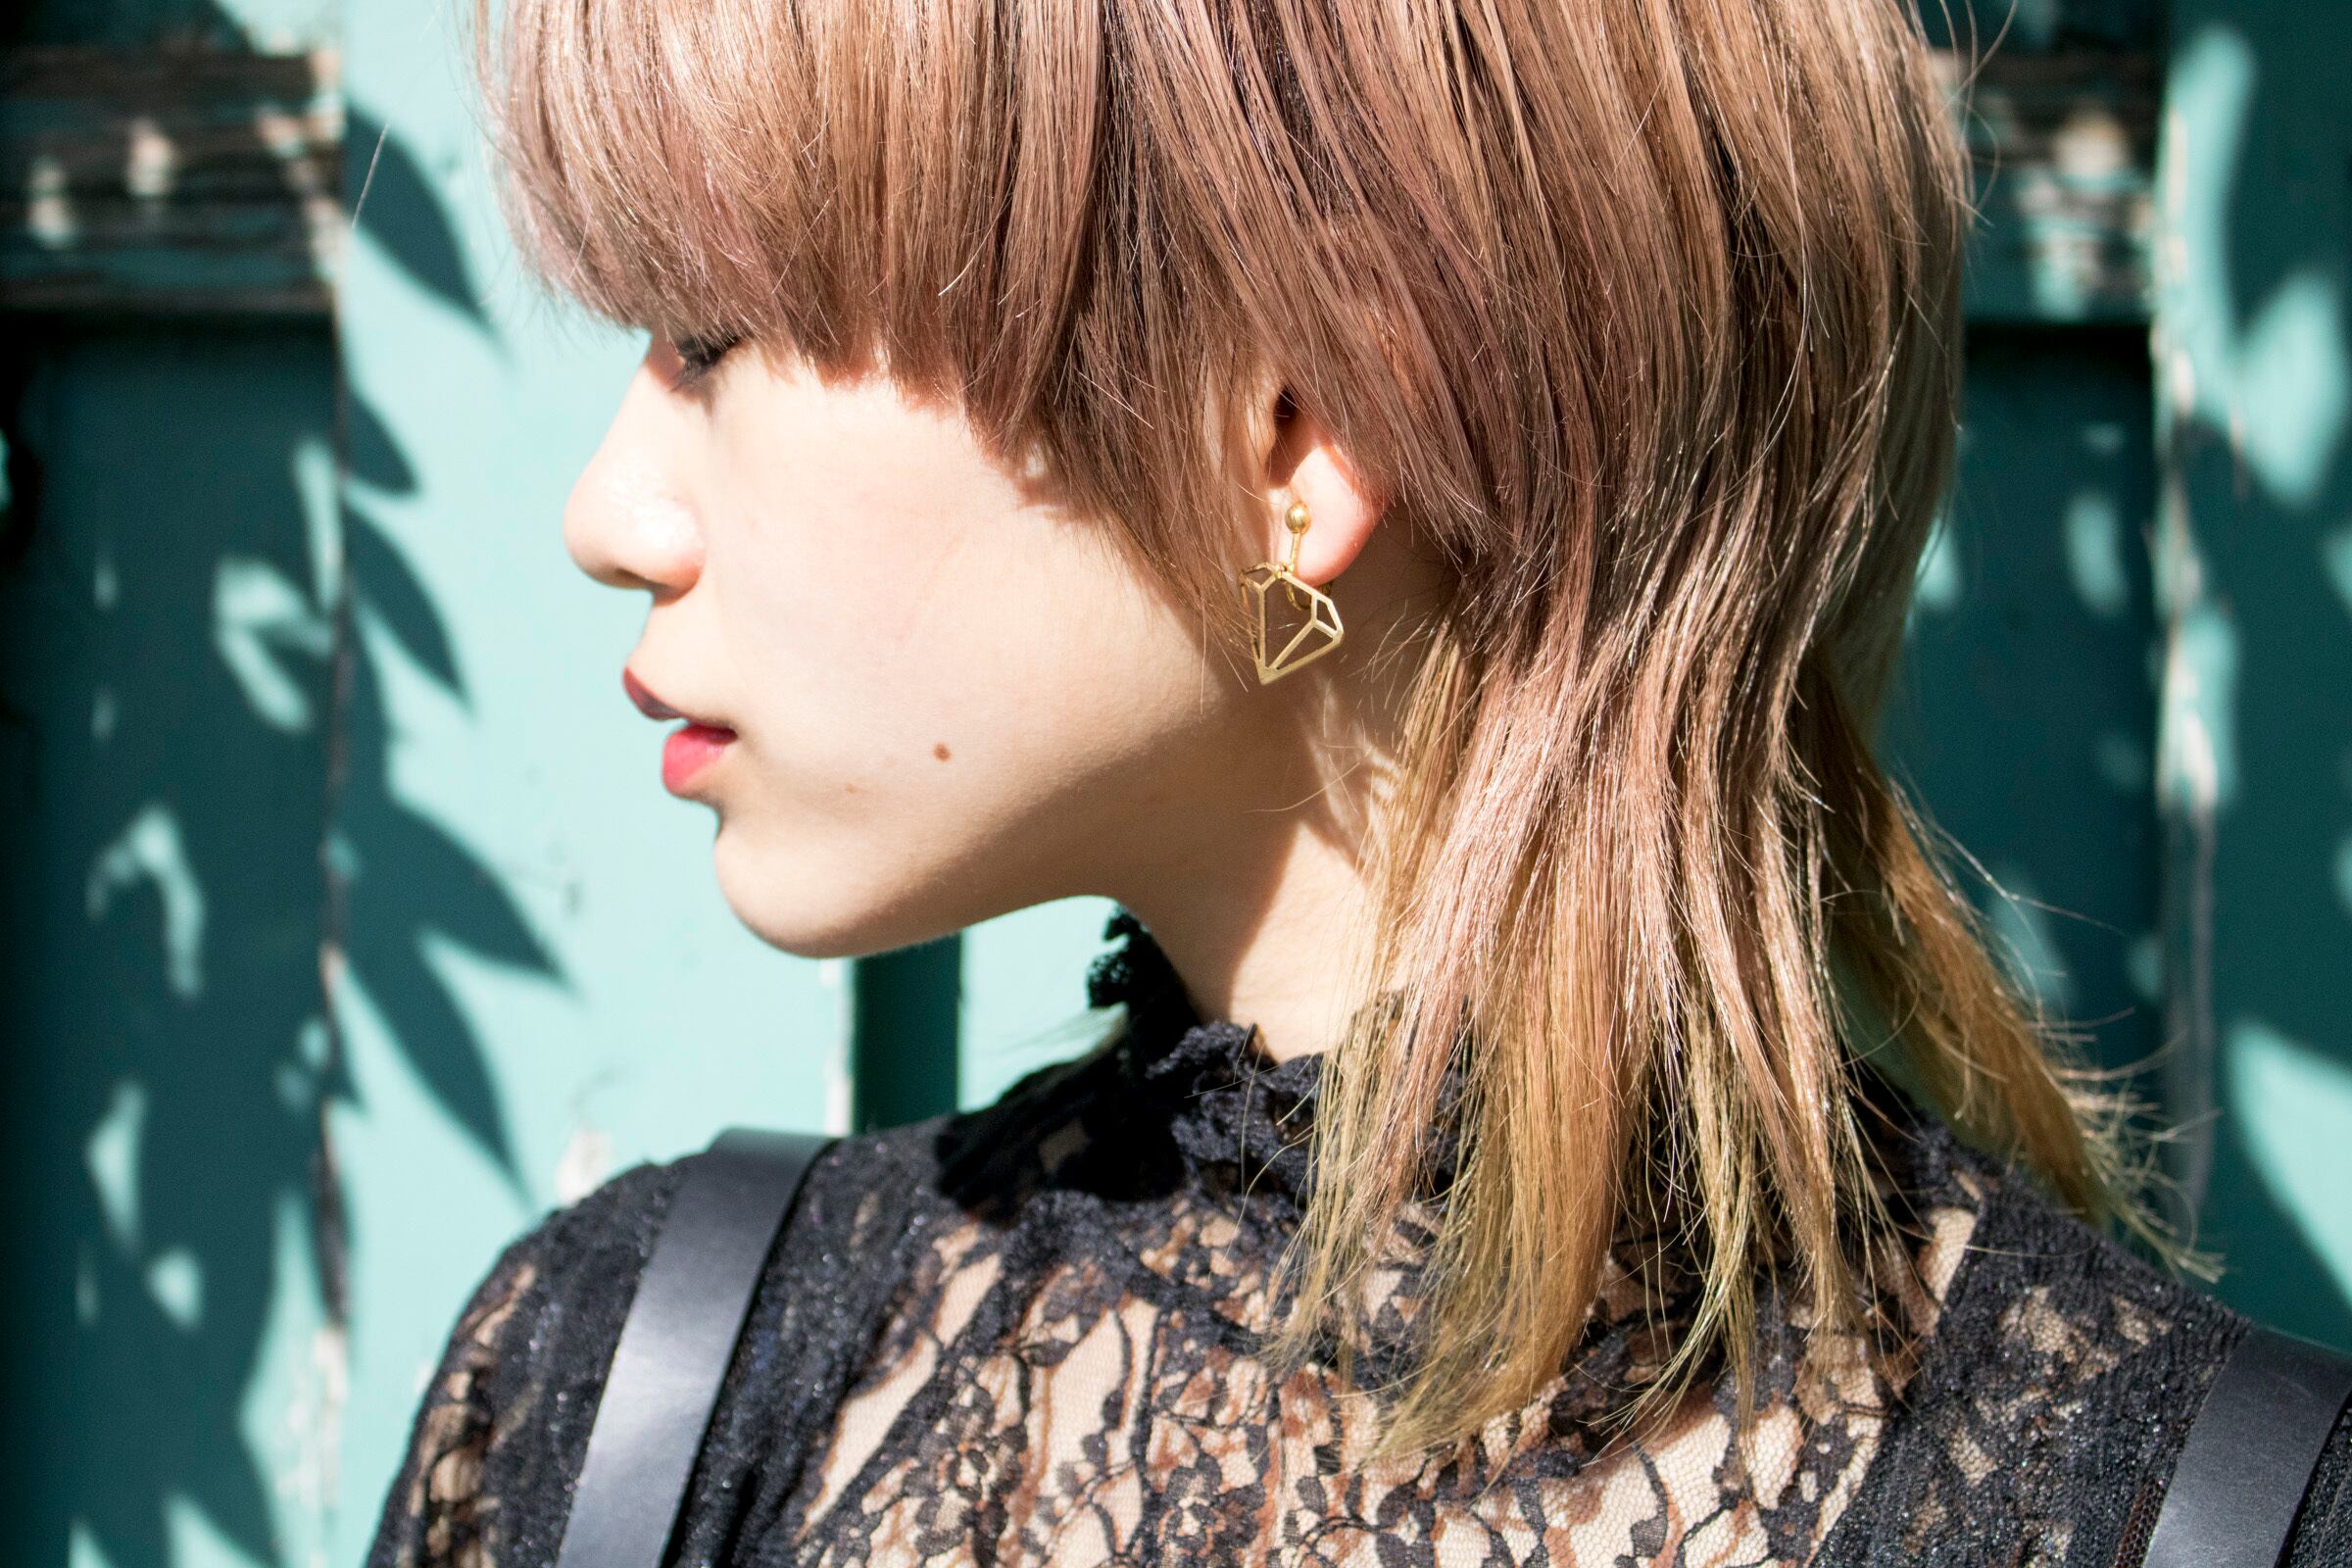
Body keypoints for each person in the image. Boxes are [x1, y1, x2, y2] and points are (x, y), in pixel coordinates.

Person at [365, 0, 2350, 1563]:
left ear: (1295, 432)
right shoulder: (633, 1403)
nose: (607, 514)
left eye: (710, 338)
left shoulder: (2225, 1515)